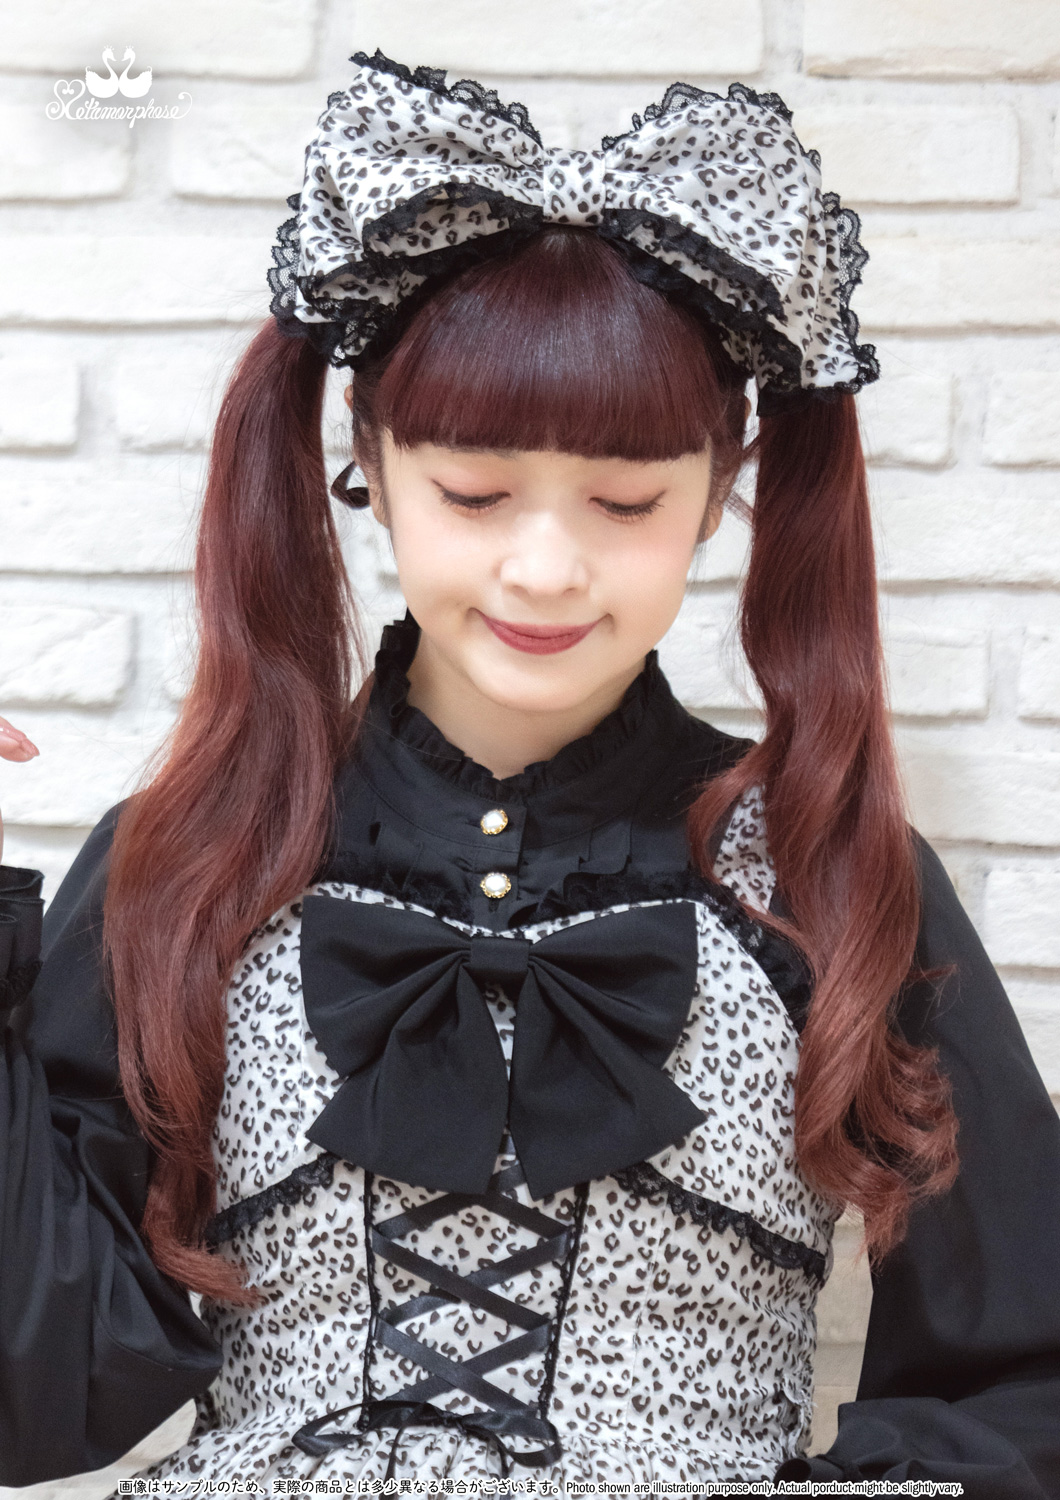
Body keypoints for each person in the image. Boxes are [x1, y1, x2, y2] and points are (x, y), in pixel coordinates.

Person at [1, 50, 1058, 1498]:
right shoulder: (193, 857)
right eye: (475, 492)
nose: (545, 567)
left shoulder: (825, 869)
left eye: (625, 502)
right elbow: (35, 1397)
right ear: (370, 459)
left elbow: (1025, 1377)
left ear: (718, 491)